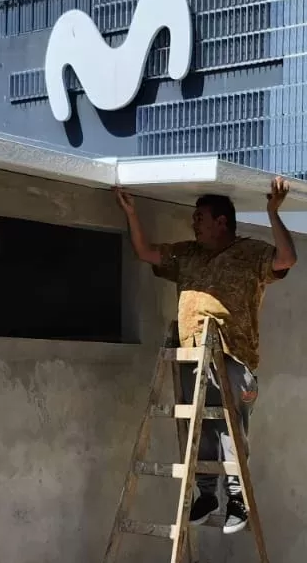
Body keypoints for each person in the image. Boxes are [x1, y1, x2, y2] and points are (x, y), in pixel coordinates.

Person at [116, 176, 297, 533]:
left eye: (200, 218)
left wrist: (273, 212)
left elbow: (287, 258)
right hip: (193, 355)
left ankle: (237, 499)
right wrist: (132, 213)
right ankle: (206, 494)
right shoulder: (188, 254)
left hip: (232, 356)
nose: (194, 224)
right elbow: (146, 253)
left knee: (230, 429)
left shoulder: (251, 253)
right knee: (198, 427)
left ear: (221, 221)